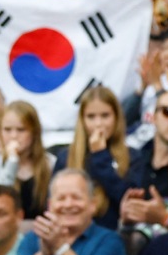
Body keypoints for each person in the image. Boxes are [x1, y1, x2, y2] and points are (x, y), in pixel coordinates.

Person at [54, 86, 143, 230]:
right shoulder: (66, 157)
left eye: (105, 116)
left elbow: (128, 202)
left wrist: (101, 156)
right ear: (82, 120)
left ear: (116, 118)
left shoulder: (133, 156)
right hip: (70, 233)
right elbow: (52, 202)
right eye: (91, 117)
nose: (98, 124)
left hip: (113, 233)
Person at [0, 101, 55, 219]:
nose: (13, 136)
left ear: (34, 132)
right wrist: (11, 162)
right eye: (7, 130)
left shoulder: (50, 163)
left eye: (21, 130)